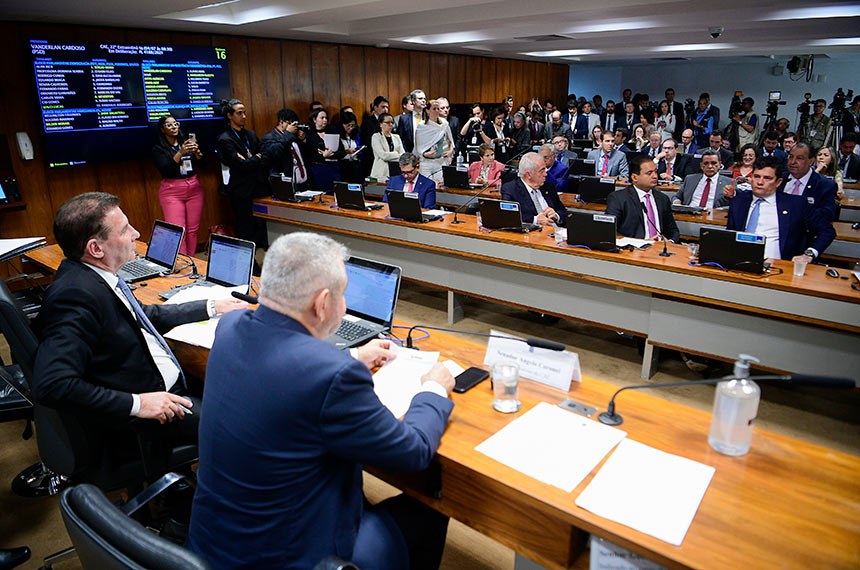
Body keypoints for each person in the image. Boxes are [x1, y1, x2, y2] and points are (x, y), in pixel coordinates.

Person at [186, 232, 454, 569]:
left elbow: (281, 364)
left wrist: (354, 356)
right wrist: (433, 389)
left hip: (211, 543)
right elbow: (412, 452)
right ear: (323, 302)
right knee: (429, 508)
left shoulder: (231, 327)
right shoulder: (334, 376)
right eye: (343, 295)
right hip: (291, 557)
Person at [33, 193, 246, 469]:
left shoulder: (93, 277)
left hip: (153, 386)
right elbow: (52, 384)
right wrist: (138, 404)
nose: (136, 233)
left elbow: (144, 315)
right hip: (147, 414)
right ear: (96, 249)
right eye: (124, 229)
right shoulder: (74, 296)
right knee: (247, 420)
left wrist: (212, 305)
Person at [726, 157, 835, 261]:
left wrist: (809, 254)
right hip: (738, 263)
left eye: (767, 178)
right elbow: (729, 236)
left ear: (778, 182)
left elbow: (827, 231)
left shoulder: (795, 205)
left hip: (778, 267)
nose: (760, 182)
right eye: (757, 176)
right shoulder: (739, 201)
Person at [216, 98, 268, 247]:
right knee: (245, 226)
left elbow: (262, 156)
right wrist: (254, 158)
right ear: (230, 116)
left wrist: (250, 159)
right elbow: (240, 166)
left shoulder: (250, 135)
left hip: (257, 186)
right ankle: (249, 262)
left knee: (261, 225)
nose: (244, 116)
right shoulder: (225, 139)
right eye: (239, 113)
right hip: (240, 189)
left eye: (244, 113)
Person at [151, 115, 204, 256]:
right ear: (162, 129)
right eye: (169, 125)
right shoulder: (159, 149)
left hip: (194, 188)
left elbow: (201, 165)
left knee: (192, 230)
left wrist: (197, 153)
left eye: (175, 124)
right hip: (172, 191)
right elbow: (166, 169)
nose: (174, 127)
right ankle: (182, 262)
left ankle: (191, 259)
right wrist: (181, 153)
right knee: (177, 230)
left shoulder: (185, 143)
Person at [606, 154, 680, 242]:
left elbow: (673, 230)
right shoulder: (618, 198)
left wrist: (670, 242)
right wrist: (641, 243)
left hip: (661, 249)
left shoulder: (662, 198)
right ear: (634, 177)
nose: (655, 176)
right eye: (649, 173)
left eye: (655, 172)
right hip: (634, 251)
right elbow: (610, 231)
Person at [500, 151, 567, 227]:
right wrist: (535, 220)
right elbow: (509, 216)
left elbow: (563, 212)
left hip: (557, 232)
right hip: (532, 234)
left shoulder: (548, 186)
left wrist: (556, 215)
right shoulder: (511, 189)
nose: (545, 174)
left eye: (545, 170)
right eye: (542, 171)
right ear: (528, 175)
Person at [781, 143, 838, 222]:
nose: (792, 162)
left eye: (799, 158)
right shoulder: (778, 179)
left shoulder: (825, 185)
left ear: (811, 161)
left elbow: (827, 214)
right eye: (791, 157)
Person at [260, 108, 306, 188]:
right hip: (283, 184)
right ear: (281, 122)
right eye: (290, 123)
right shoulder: (269, 138)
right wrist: (288, 133)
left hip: (301, 183)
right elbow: (274, 153)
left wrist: (302, 140)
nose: (294, 127)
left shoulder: (293, 136)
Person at [305, 108, 345, 192]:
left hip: (334, 168)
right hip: (318, 169)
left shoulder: (332, 131)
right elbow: (308, 156)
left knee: (335, 192)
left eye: (326, 118)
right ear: (314, 119)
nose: (325, 120)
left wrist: (331, 154)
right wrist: (323, 156)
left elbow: (342, 152)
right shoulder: (309, 135)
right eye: (322, 118)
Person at [415, 99, 454, 184]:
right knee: (426, 186)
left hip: (440, 161)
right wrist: (425, 154)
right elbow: (419, 147)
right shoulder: (422, 127)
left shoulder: (444, 123)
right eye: (434, 109)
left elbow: (450, 140)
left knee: (440, 186)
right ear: (428, 110)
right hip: (426, 163)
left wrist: (450, 151)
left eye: (438, 109)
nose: (437, 111)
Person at [360, 95, 389, 177]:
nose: (385, 110)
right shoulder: (368, 122)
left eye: (387, 107)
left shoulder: (388, 123)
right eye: (383, 107)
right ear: (375, 107)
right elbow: (367, 141)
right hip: (371, 160)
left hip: (385, 160)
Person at [370, 113, 404, 182]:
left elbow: (403, 155)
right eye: (388, 122)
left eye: (392, 122)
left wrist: (391, 155)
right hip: (382, 172)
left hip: (397, 170)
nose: (391, 125)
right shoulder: (376, 137)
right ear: (381, 124)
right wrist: (396, 154)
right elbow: (383, 156)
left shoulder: (397, 137)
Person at [397, 89, 428, 153]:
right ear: (413, 101)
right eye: (420, 98)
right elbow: (400, 139)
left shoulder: (429, 117)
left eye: (424, 99)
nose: (423, 101)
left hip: (427, 154)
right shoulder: (404, 119)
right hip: (410, 154)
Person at [337, 111, 363, 183]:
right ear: (342, 124)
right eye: (348, 125)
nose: (351, 128)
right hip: (343, 166)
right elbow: (335, 152)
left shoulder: (355, 135)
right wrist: (346, 151)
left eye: (353, 125)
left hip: (355, 165)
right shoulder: (338, 136)